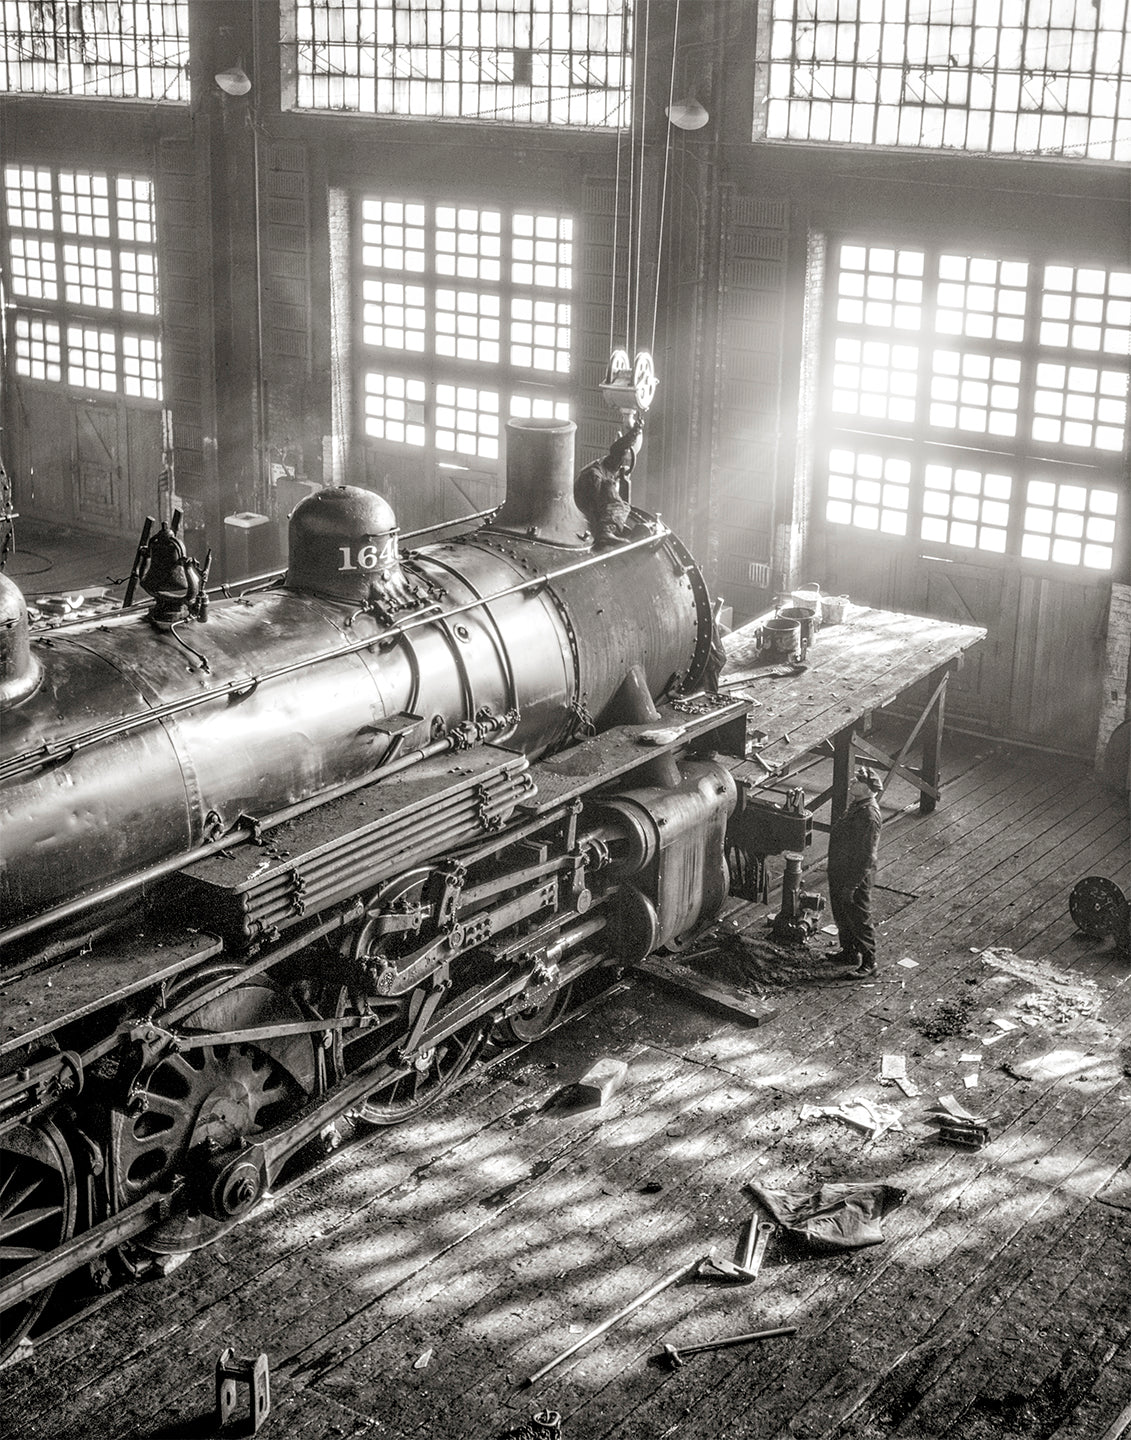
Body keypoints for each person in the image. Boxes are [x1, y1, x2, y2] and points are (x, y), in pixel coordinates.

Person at [825, 765, 884, 977]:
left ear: (868, 789)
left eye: (858, 781)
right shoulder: (858, 805)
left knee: (860, 918)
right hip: (842, 870)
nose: (852, 782)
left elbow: (867, 856)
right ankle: (849, 952)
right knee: (842, 913)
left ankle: (869, 963)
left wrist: (852, 885)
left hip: (855, 876)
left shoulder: (869, 815)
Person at [575, 414, 644, 547]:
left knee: (614, 497)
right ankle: (606, 532)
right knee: (620, 505)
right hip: (587, 489)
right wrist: (635, 432)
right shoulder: (605, 469)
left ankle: (610, 528)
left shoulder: (602, 467)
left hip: (581, 494)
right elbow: (618, 448)